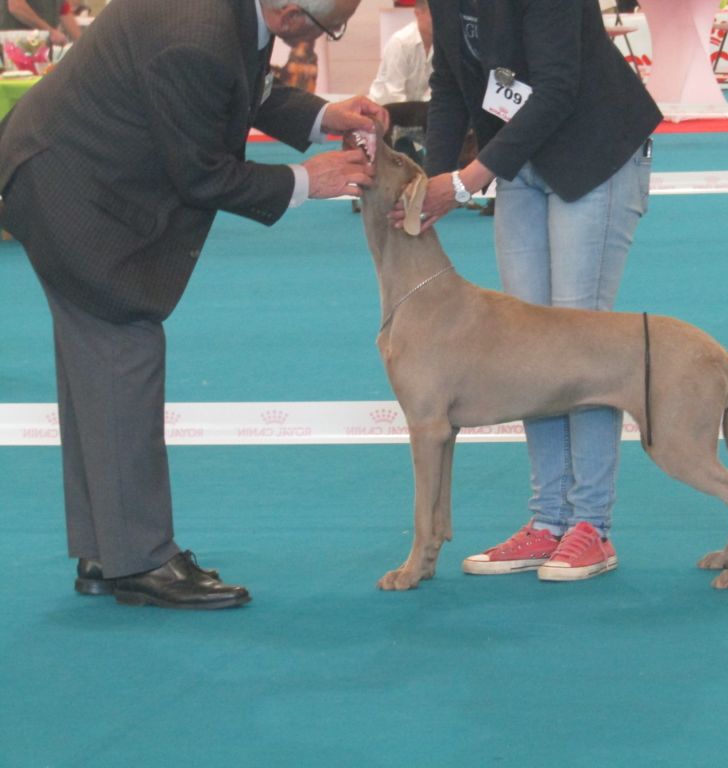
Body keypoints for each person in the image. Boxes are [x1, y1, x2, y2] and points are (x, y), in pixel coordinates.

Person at [0, 0, 389, 610]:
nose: (321, 36)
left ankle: (107, 546)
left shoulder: (233, 14)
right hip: (73, 186)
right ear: (290, 12)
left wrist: (323, 115)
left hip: (64, 163)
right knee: (124, 341)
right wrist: (310, 181)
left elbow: (235, 89)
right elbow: (202, 174)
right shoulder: (195, 35)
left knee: (97, 362)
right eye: (325, 25)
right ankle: (141, 560)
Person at [396, 0, 661, 581]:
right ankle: (547, 522)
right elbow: (448, 84)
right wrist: (432, 181)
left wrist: (467, 182)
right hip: (519, 161)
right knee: (530, 349)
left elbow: (559, 86)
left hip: (595, 153)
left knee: (580, 347)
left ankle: (591, 525)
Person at [368, 0, 432, 105]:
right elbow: (393, 96)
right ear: (417, 13)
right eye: (434, 15)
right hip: (383, 109)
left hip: (410, 109)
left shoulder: (441, 44)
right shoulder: (401, 42)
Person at [1, 0, 81, 46]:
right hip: (14, 44)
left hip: (41, 46)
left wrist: (82, 43)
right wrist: (50, 31)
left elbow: (64, 11)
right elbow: (16, 6)